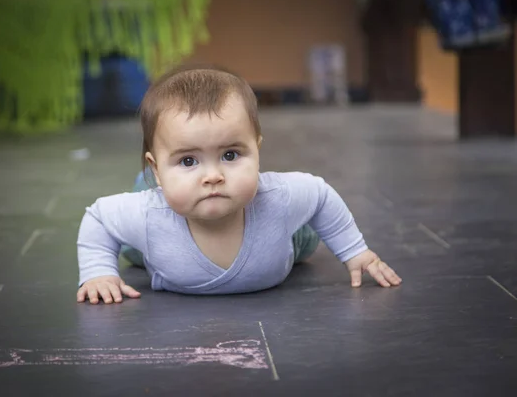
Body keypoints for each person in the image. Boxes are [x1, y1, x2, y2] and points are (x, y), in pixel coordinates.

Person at [76, 64, 402, 304]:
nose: (213, 175)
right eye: (188, 161)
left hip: (277, 234)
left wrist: (354, 251)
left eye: (231, 154)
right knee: (134, 248)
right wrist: (98, 272)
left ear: (256, 149)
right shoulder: (147, 216)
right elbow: (98, 217)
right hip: (162, 221)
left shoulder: (280, 199)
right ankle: (147, 182)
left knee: (307, 237)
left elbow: (319, 195)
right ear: (157, 169)